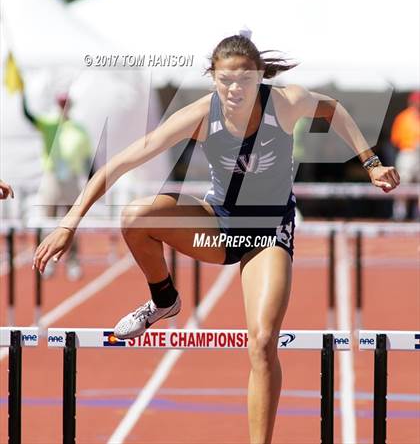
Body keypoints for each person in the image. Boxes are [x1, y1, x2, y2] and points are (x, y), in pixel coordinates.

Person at [33, 34, 399, 444]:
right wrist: (70, 222)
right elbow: (121, 162)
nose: (235, 89)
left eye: (244, 79)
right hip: (219, 227)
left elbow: (334, 110)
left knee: (262, 342)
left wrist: (371, 163)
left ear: (259, 77)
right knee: (136, 215)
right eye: (225, 80)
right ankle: (164, 299)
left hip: (268, 235)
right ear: (213, 79)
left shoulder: (284, 102)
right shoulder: (200, 116)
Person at [23, 90, 92, 280]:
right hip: (52, 176)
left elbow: (87, 158)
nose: (64, 106)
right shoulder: (49, 124)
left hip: (71, 178)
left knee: (71, 222)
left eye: (66, 103)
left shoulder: (79, 128)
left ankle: (73, 261)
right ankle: (46, 260)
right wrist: (23, 93)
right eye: (61, 103)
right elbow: (29, 117)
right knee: (47, 221)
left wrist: (91, 181)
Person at [390, 90, 420, 220]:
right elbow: (395, 140)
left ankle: (417, 215)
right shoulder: (403, 117)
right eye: (415, 102)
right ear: (411, 102)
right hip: (407, 153)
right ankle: (399, 214)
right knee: (403, 183)